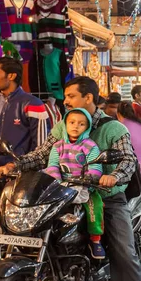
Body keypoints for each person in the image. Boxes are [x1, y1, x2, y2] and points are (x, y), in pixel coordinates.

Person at [0, 76, 141, 281]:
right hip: (66, 194)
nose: (65, 101)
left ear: (88, 97)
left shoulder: (113, 128)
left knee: (125, 250)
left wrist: (113, 176)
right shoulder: (64, 125)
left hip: (105, 196)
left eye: (70, 96)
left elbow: (128, 161)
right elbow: (42, 154)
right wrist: (15, 165)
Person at [0, 57, 49, 278]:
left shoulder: (33, 104)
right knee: (3, 234)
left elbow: (41, 148)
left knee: (23, 237)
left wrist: (17, 167)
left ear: (11, 75)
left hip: (21, 181)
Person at [45, 108, 105, 259]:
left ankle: (95, 240)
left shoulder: (90, 146)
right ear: (65, 124)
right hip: (61, 187)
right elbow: (52, 166)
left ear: (87, 127)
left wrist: (90, 178)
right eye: (71, 122)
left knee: (94, 207)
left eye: (81, 124)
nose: (75, 126)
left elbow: (95, 166)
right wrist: (57, 182)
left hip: (85, 187)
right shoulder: (57, 146)